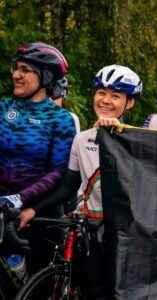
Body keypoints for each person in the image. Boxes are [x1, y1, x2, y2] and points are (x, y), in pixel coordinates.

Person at [18, 64, 142, 299]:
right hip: (91, 231)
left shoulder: (137, 140)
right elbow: (68, 187)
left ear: (130, 103)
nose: (106, 101)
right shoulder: (81, 140)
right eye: (101, 93)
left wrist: (121, 134)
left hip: (126, 235)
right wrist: (33, 210)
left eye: (115, 96)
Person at [0, 42, 76, 274]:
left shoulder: (60, 119)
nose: (16, 75)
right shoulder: (3, 107)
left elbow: (57, 172)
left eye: (25, 70)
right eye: (16, 68)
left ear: (45, 76)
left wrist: (20, 198)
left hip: (38, 215)